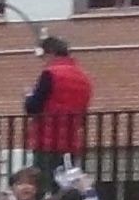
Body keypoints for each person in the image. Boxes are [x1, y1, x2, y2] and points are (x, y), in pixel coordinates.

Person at [23, 31, 93, 162]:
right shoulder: (83, 77)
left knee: (45, 174)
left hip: (47, 140)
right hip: (71, 140)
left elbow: (33, 107)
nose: (43, 61)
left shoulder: (50, 74)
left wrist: (28, 96)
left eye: (43, 56)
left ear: (50, 53)